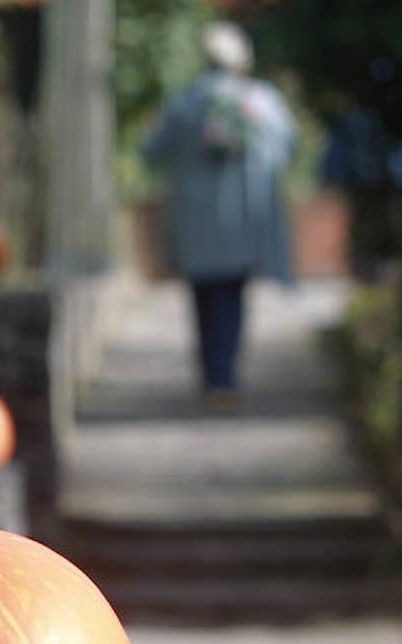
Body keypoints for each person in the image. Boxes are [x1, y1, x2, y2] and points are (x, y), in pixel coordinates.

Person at [142, 22, 297, 411]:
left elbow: (153, 152)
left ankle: (215, 376)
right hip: (245, 221)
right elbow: (287, 147)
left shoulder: (186, 101)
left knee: (204, 298)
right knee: (233, 297)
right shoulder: (263, 101)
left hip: (197, 222)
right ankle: (224, 378)